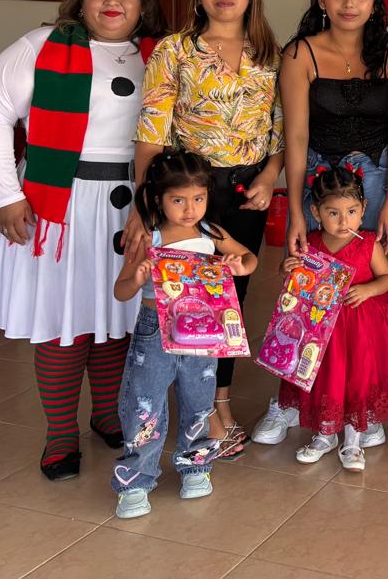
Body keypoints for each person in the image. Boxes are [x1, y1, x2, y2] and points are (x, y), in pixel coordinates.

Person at [0, 0, 165, 481]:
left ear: (142, 1)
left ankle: (106, 415)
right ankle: (60, 434)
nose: (112, 0)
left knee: (118, 317)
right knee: (65, 322)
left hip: (134, 205)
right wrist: (6, 195)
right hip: (60, 205)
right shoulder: (40, 47)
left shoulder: (159, 55)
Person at [252, 0, 388, 448]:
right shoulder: (300, 52)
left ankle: (361, 407)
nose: (349, 3)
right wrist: (295, 211)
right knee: (305, 299)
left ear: (374, 1)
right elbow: (296, 134)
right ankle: (289, 403)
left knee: (365, 304)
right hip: (317, 182)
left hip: (376, 181)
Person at [127, 0, 283, 457]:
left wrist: (271, 176)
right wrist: (145, 206)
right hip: (189, 196)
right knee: (188, 300)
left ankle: (219, 403)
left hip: (247, 192)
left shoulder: (270, 53)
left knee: (231, 298)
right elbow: (151, 134)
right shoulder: (174, 51)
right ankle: (183, 407)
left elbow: (279, 129)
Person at [110, 151, 258, 519]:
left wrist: (237, 266)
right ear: (158, 198)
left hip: (203, 333)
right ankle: (135, 481)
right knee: (145, 404)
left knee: (199, 401)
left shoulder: (210, 232)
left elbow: (248, 258)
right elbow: (121, 291)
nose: (190, 209)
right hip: (155, 331)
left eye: (198, 198)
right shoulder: (150, 236)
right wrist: (138, 277)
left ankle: (195, 467)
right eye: (178, 200)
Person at [282, 165, 388, 471]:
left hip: (358, 328)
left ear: (363, 210)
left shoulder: (367, 244)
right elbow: (301, 282)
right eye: (333, 213)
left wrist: (368, 289)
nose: (343, 221)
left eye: (351, 212)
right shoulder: (311, 244)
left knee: (355, 380)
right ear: (316, 212)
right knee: (326, 378)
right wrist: (289, 268)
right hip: (323, 330)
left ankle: (353, 440)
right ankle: (325, 435)